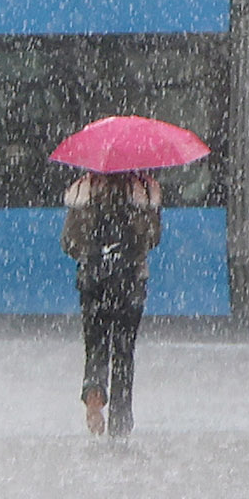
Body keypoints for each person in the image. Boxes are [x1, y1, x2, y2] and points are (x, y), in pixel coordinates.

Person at [62, 168, 162, 438]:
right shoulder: (145, 190)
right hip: (130, 283)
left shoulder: (84, 189)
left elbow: (68, 243)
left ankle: (94, 399)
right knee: (124, 351)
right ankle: (121, 420)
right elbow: (152, 239)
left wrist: (94, 252)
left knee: (95, 346)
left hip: (94, 282)